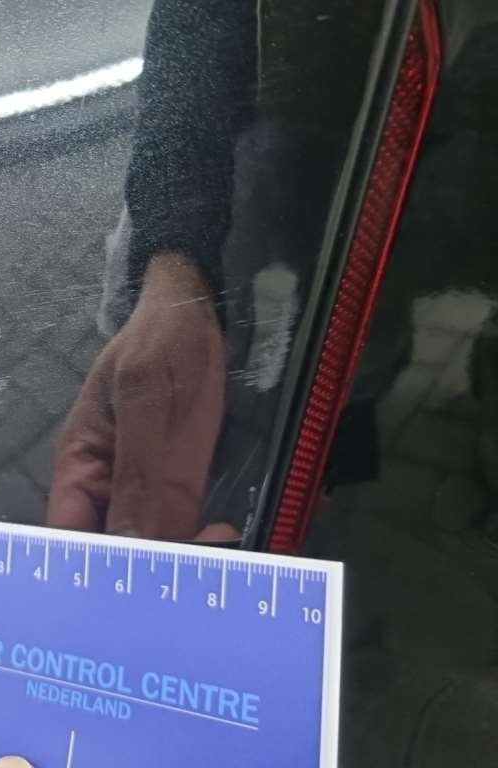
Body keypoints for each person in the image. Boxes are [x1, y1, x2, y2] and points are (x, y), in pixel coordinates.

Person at [47, 0, 378, 541]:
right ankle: (230, 423)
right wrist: (174, 268)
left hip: (408, 170)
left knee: (367, 339)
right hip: (255, 143)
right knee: (175, 345)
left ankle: (338, 440)